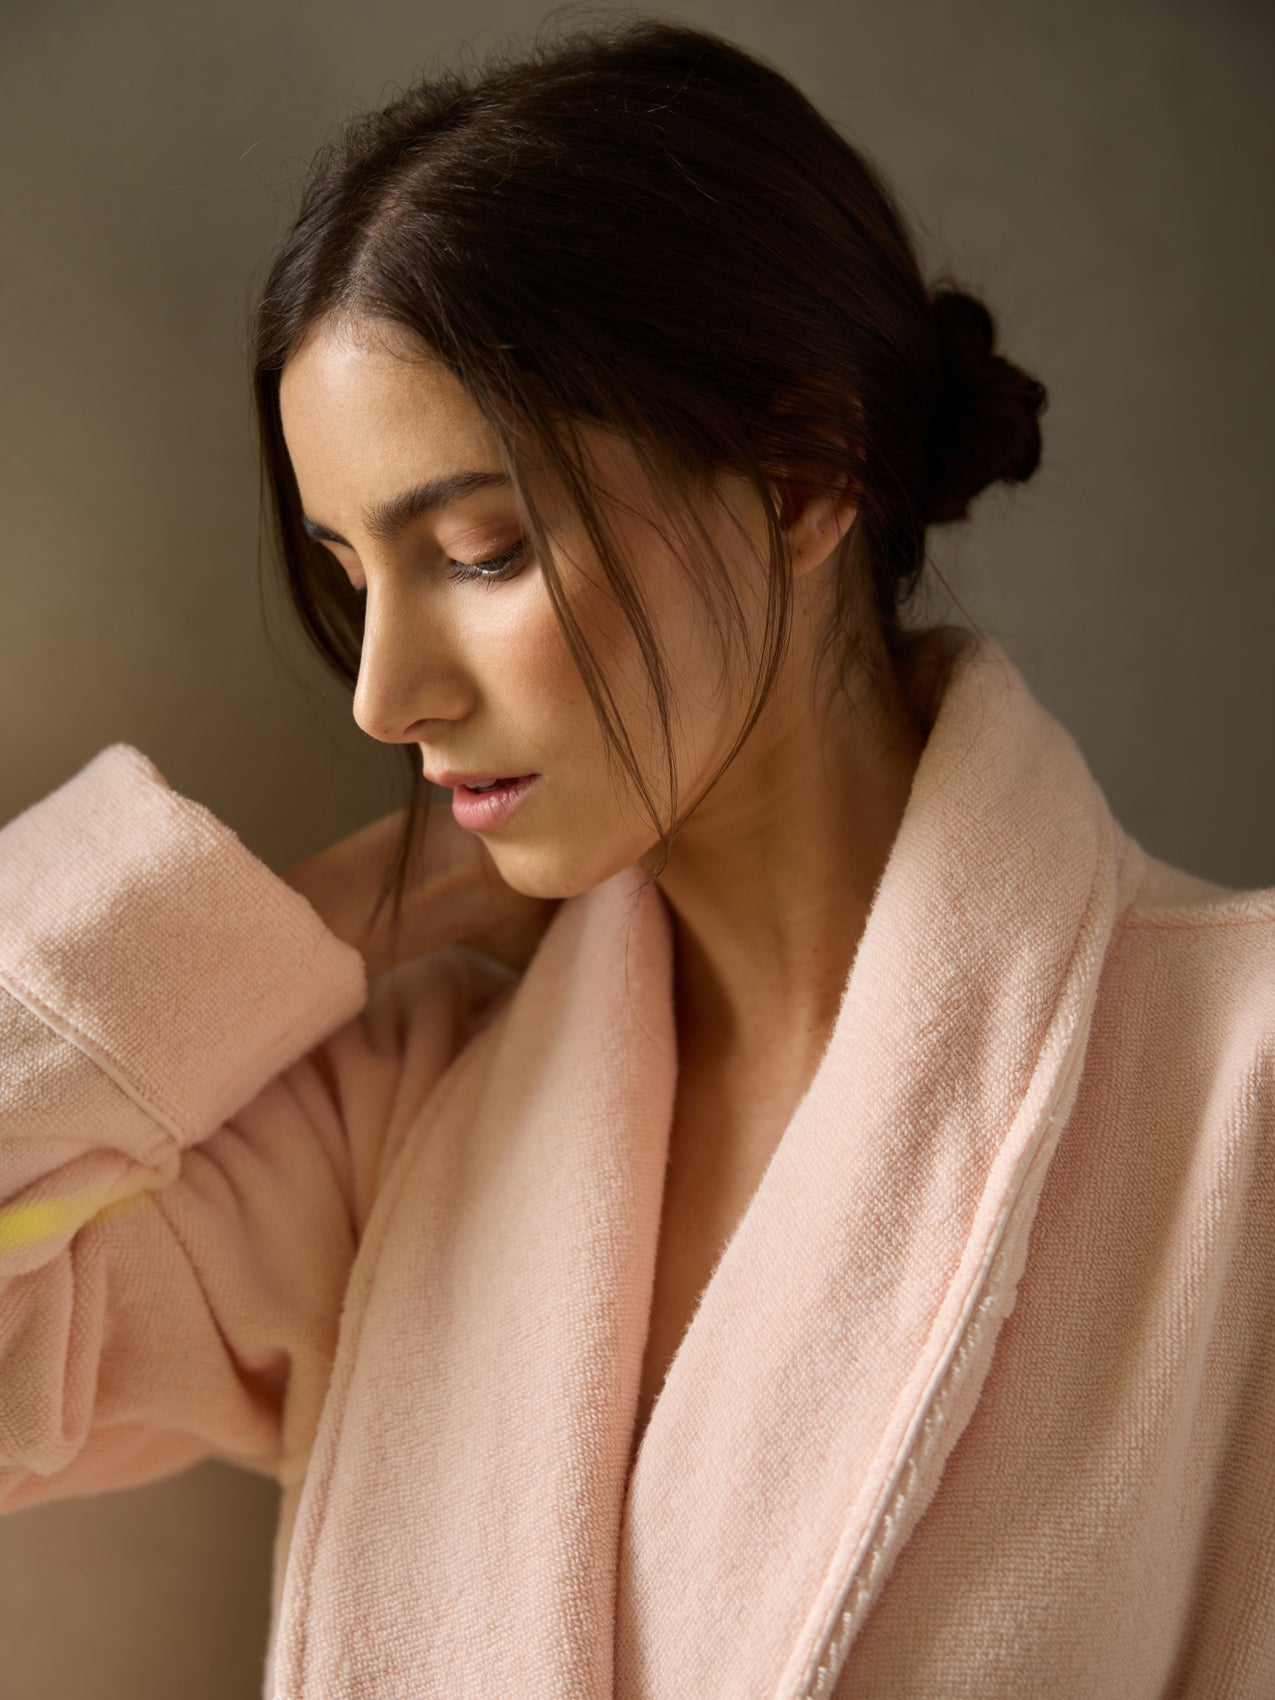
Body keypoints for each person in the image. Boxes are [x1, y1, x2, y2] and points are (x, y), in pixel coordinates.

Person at [1, 17, 1270, 1700]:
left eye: (484, 548)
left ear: (805, 472)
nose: (387, 692)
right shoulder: (412, 1119)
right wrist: (317, 921)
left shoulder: (1236, 1079)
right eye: (351, 575)